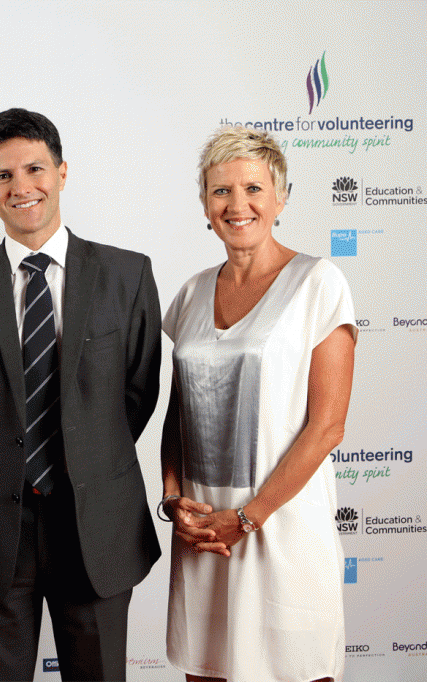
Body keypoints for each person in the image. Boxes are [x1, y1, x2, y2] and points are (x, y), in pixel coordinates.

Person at [0, 108, 162, 681]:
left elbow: (138, 392)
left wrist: (80, 455)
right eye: (3, 175)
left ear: (62, 171)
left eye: (35, 168)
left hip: (97, 525)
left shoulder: (127, 274)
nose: (21, 187)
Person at [159, 126, 356, 682]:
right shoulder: (192, 293)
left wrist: (247, 519)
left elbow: (327, 426)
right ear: (204, 204)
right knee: (207, 672)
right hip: (205, 538)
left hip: (280, 531)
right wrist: (175, 498)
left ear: (280, 198)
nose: (237, 204)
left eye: (253, 188)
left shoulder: (319, 282)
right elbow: (179, 416)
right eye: (221, 191)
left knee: (296, 670)